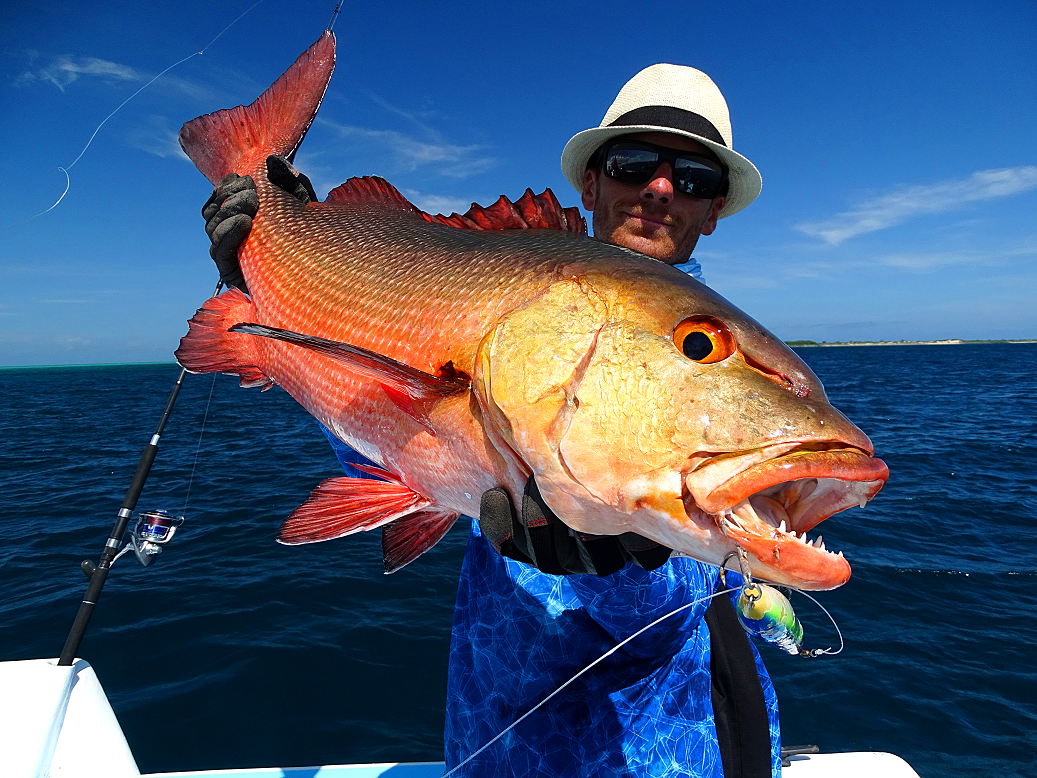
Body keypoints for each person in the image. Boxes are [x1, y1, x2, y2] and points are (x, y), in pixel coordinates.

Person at [201, 64, 777, 778]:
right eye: (633, 164)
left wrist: (619, 561)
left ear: (713, 209)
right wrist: (279, 275)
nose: (660, 187)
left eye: (692, 177)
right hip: (491, 737)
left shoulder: (717, 372)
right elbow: (386, 448)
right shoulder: (516, 287)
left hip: (663, 749)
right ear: (590, 185)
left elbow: (668, 610)